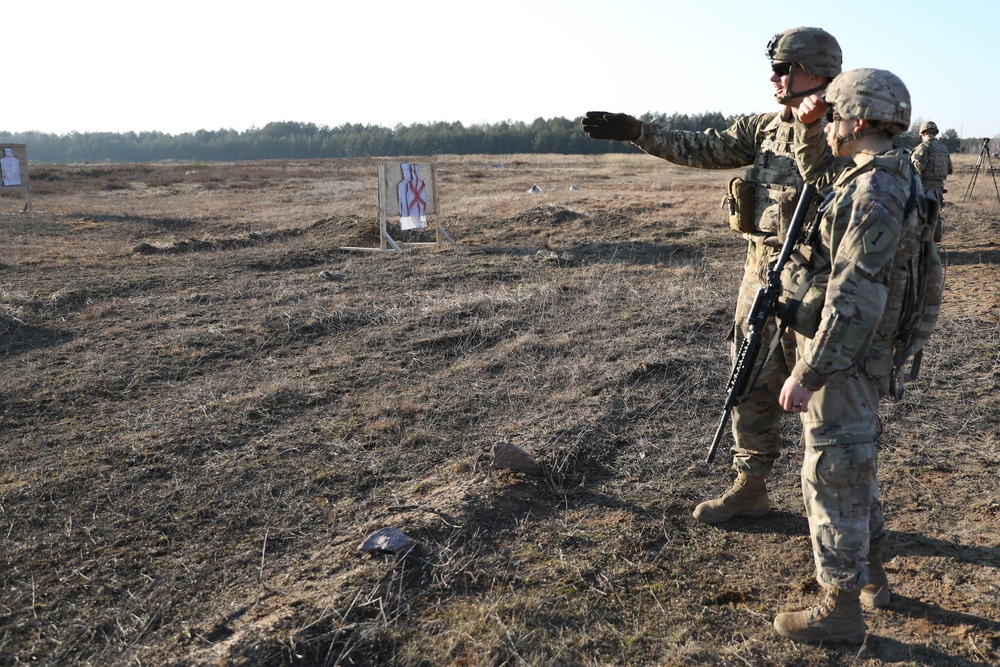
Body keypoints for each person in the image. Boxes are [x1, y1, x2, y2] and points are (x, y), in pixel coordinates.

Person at [582, 27, 844, 524]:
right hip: (761, 281)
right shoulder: (764, 128)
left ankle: (832, 506)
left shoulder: (849, 129)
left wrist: (820, 129)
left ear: (817, 72)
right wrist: (639, 131)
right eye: (775, 67)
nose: (775, 77)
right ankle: (751, 486)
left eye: (785, 67)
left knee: (822, 397)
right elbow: (700, 147)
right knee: (750, 381)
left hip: (819, 287)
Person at [772, 68, 915, 644]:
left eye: (833, 116)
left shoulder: (872, 190)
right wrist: (806, 123)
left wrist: (809, 371)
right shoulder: (882, 173)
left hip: (846, 360)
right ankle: (872, 577)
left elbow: (854, 294)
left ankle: (840, 609)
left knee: (833, 475)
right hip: (858, 355)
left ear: (857, 121)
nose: (827, 125)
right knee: (855, 470)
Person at [910, 121, 952, 240]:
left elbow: (918, 169)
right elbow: (949, 169)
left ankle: (923, 243)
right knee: (934, 215)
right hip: (939, 187)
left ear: (922, 134)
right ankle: (933, 241)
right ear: (935, 132)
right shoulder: (943, 148)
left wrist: (913, 160)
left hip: (923, 187)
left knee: (921, 216)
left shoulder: (922, 147)